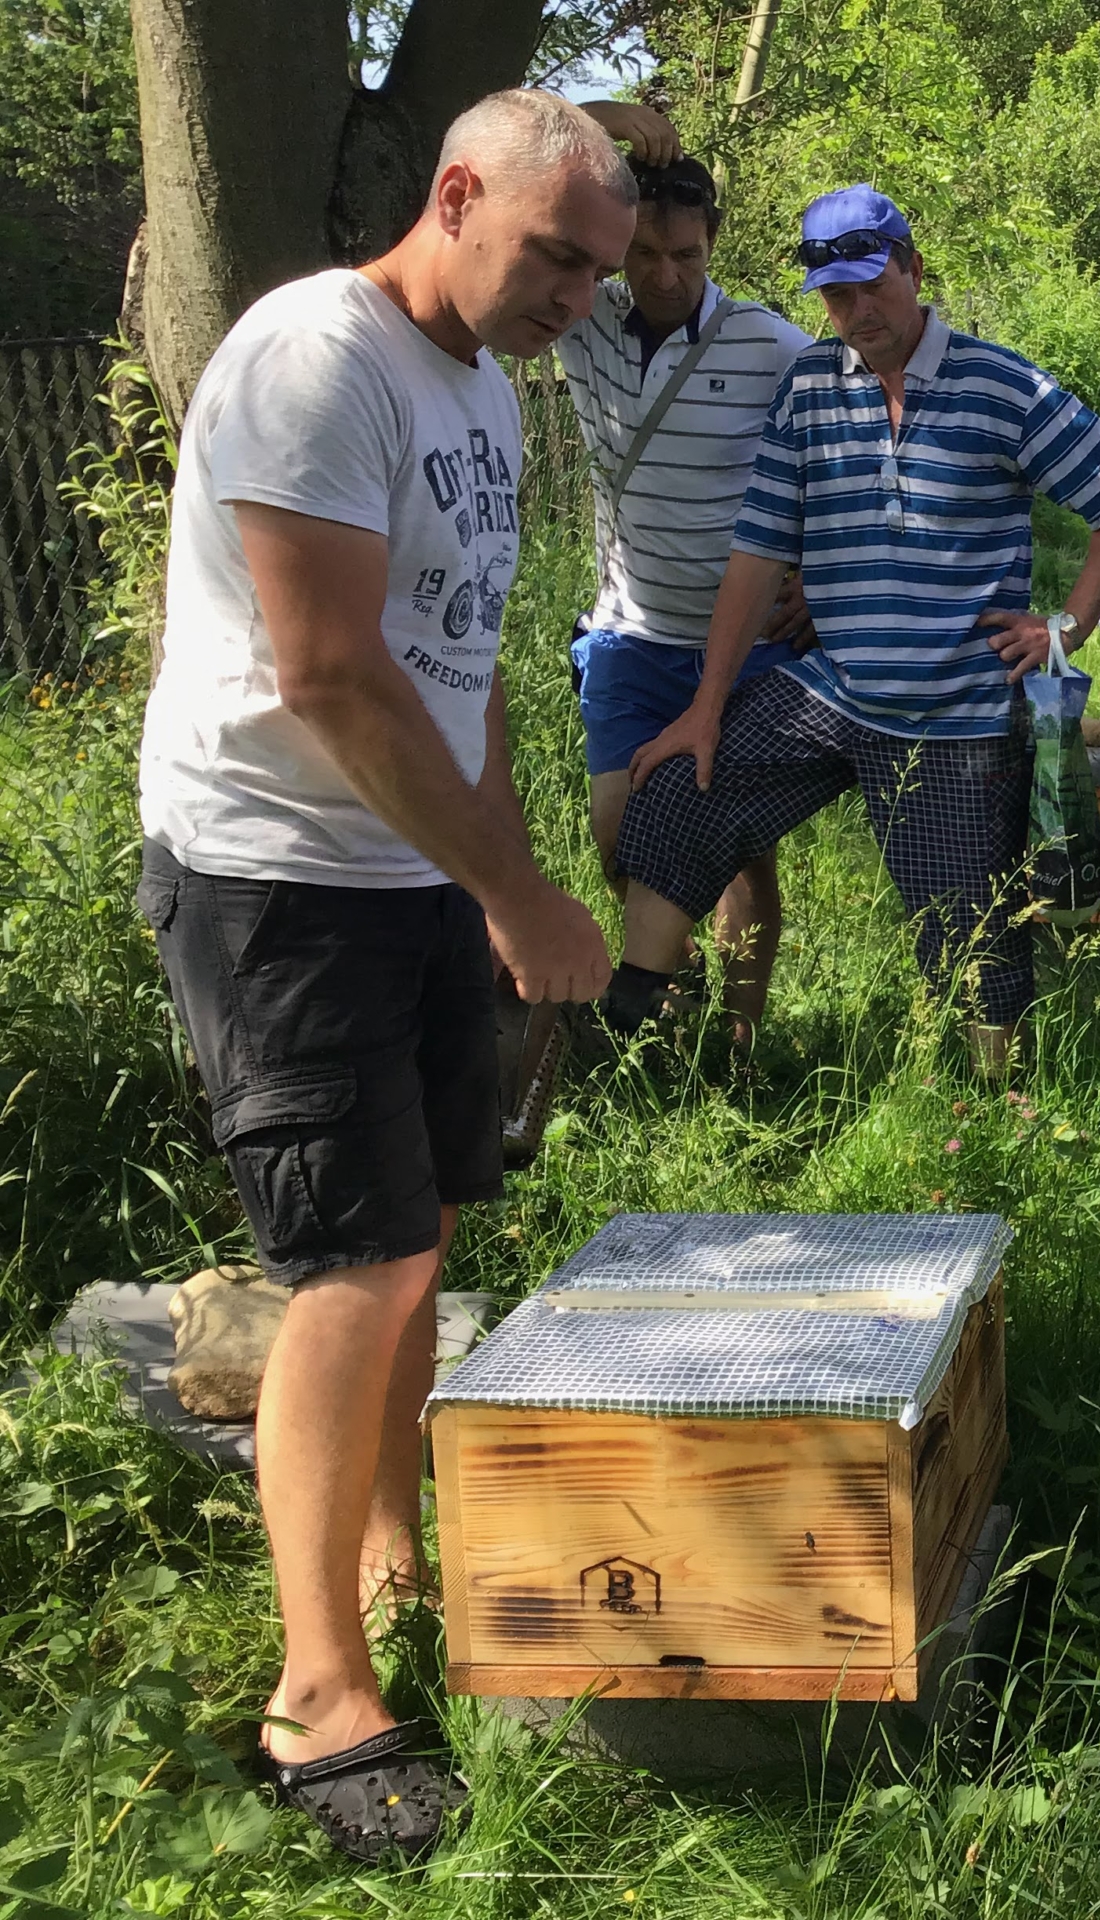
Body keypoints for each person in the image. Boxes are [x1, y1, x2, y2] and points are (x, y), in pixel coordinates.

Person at [133, 88, 625, 1858]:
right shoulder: (313, 359)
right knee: (357, 1261)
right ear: (457, 193)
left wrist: (501, 881)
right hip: (274, 879)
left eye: (599, 272)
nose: (576, 295)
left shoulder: (483, 389)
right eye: (557, 254)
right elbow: (333, 671)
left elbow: (458, 667)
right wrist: (518, 889)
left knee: (423, 1231)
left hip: (413, 872)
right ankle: (315, 1697)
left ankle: (390, 1553)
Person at [608, 184, 1100, 1077]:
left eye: (873, 285)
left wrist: (1067, 624)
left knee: (969, 934)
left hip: (957, 712)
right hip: (832, 689)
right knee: (679, 795)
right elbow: (758, 550)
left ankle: (998, 1109)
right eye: (837, 295)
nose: (858, 310)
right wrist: (705, 708)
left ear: (913, 269)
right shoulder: (810, 387)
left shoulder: (1001, 383)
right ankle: (634, 1029)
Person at [552, 147, 814, 1046]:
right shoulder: (580, 319)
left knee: (738, 851)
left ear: (713, 246)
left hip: (743, 645)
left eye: (687, 256)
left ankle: (739, 1050)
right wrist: (620, 128)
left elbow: (848, 454)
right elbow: (517, 161)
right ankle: (674, 979)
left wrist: (820, 581)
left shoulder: (771, 346)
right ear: (617, 248)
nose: (666, 276)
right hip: (629, 631)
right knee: (617, 832)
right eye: (645, 255)